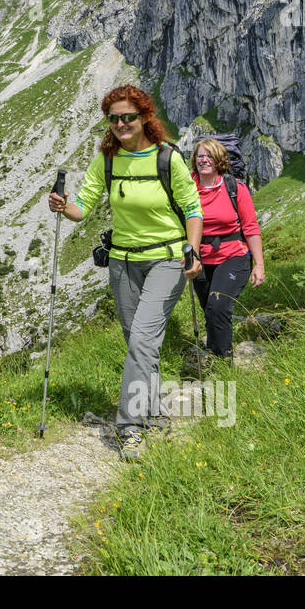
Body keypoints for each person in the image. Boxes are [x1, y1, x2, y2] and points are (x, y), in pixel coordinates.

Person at [47, 84, 202, 461]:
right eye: (113, 118)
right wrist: (63, 206)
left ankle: (129, 428)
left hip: (166, 259)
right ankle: (155, 413)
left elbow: (193, 208)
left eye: (127, 116)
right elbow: (83, 206)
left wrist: (193, 252)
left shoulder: (168, 158)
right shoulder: (108, 159)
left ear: (145, 116)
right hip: (121, 262)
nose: (120, 123)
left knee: (141, 341)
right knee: (138, 340)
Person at [190, 139, 264, 366]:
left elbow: (250, 227)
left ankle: (224, 363)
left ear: (219, 160)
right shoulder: (187, 188)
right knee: (209, 311)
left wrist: (259, 264)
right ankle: (214, 353)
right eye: (200, 156)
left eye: (209, 156)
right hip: (200, 258)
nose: (203, 160)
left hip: (234, 255)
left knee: (218, 305)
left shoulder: (234, 188)